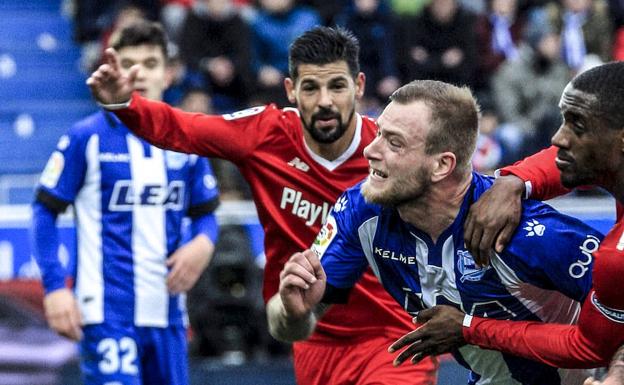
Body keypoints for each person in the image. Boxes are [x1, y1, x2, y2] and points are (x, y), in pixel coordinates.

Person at [86, 26, 437, 385]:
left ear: (358, 86)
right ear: (291, 91)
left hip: (393, 337)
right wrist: (126, 105)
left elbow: (457, 186)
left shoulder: (391, 154)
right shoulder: (265, 134)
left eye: (337, 86)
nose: (325, 101)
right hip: (309, 336)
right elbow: (185, 128)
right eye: (311, 88)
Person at [267, 79, 603, 384]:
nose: (370, 150)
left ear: (442, 165)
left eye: (394, 143)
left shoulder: (524, 233)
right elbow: (293, 326)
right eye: (378, 133)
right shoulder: (360, 210)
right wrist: (292, 312)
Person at [387, 61, 624, 371]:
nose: (558, 138)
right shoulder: (609, 157)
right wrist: (513, 181)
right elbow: (577, 159)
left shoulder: (616, 258)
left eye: (577, 126)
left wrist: (469, 327)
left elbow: (587, 347)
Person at [32, 21, 220, 385]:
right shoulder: (85, 138)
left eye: (149, 64)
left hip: (168, 315)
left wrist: (203, 244)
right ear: (112, 69)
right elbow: (43, 212)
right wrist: (55, 288)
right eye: (127, 63)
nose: (137, 74)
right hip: (107, 315)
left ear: (169, 74)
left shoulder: (188, 143)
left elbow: (206, 215)